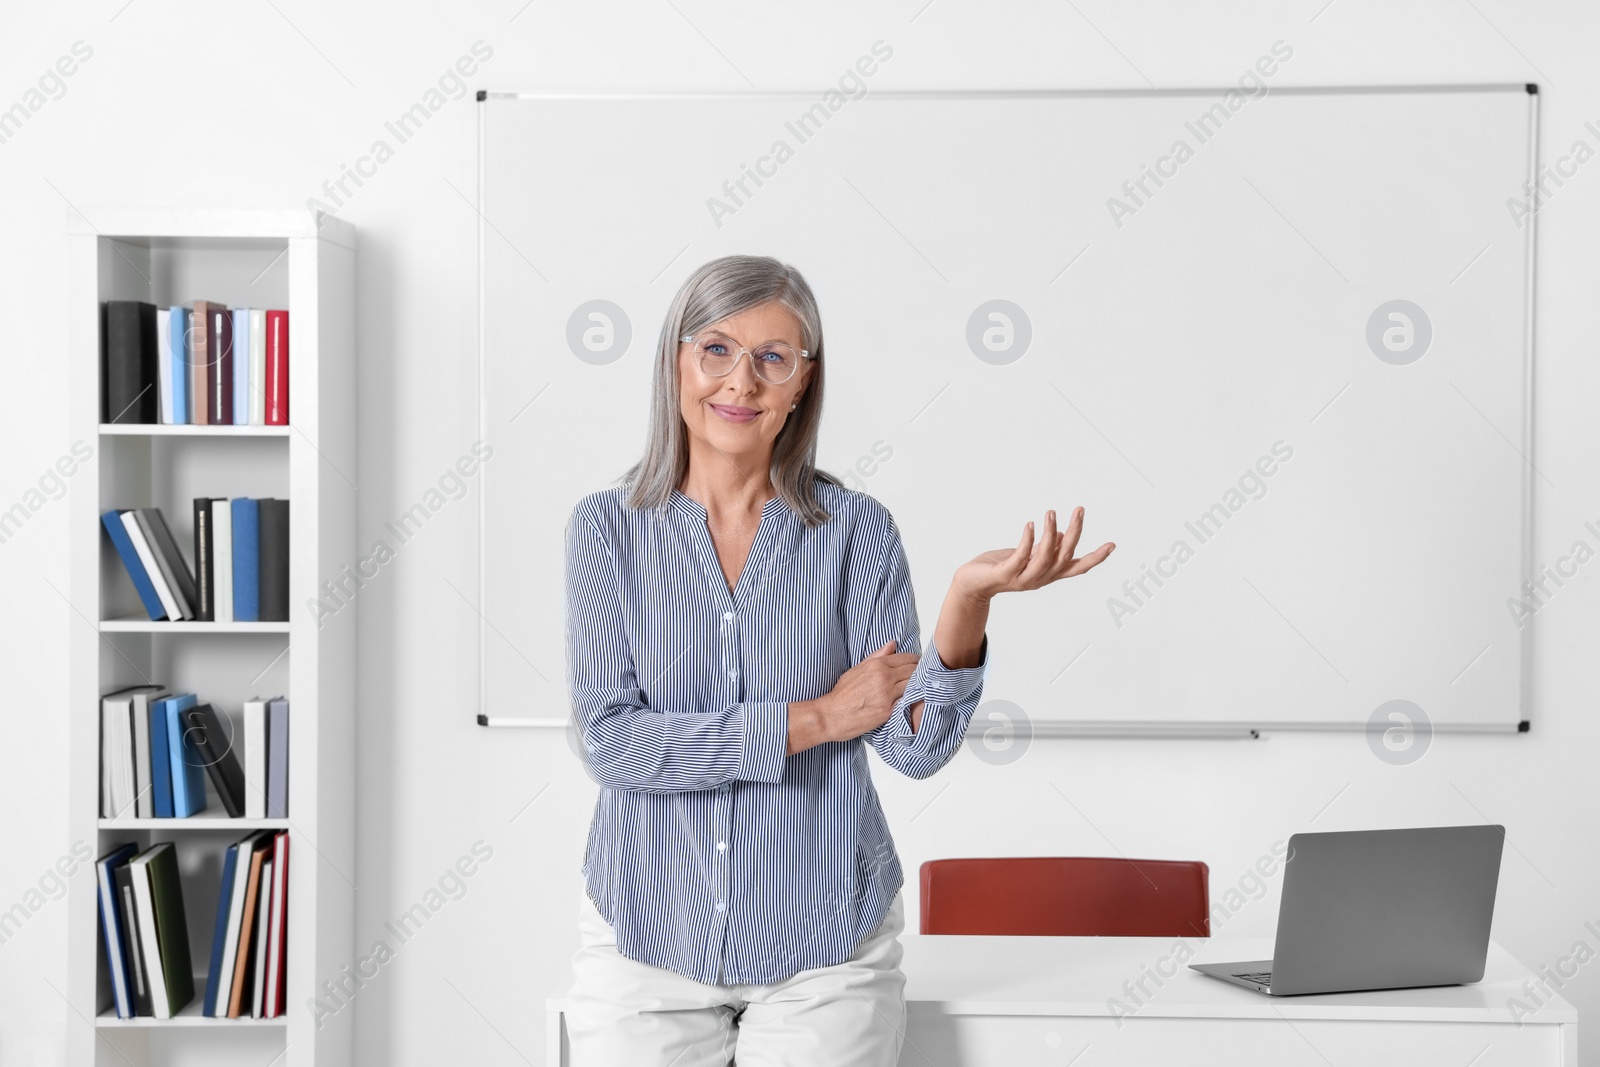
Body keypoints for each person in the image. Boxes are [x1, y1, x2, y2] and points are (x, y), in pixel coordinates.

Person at [563, 254, 1114, 1065]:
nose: (740, 382)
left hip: (825, 940)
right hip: (646, 929)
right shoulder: (606, 528)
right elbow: (613, 744)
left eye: (772, 358)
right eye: (715, 349)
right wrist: (817, 717)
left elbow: (913, 746)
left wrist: (967, 601)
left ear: (802, 382)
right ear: (676, 360)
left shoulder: (855, 529)